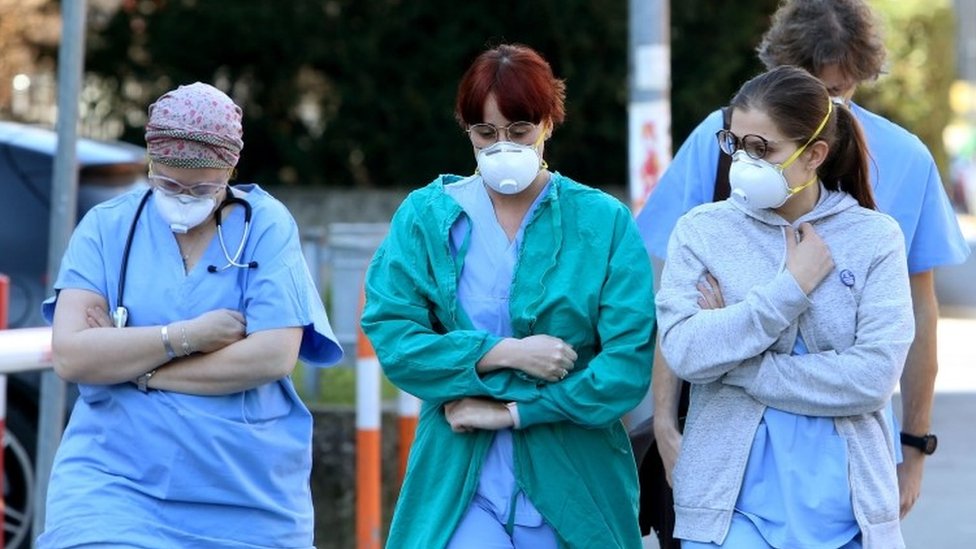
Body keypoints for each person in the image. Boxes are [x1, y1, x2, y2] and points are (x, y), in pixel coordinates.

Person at [636, 1, 971, 540]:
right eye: (738, 147)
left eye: (837, 90)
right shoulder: (714, 167)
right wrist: (665, 424)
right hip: (728, 483)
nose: (821, 102)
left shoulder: (890, 193)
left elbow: (904, 335)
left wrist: (915, 445)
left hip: (839, 488)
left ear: (817, 154)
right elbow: (679, 326)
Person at [360, 43, 655, 548]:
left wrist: (514, 411)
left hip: (574, 474)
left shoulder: (603, 221)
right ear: (466, 129)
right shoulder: (426, 217)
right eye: (485, 133)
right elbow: (395, 339)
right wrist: (505, 353)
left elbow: (626, 368)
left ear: (548, 124)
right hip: (458, 468)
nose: (503, 146)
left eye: (519, 131)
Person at [38, 82, 342, 548]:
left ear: (231, 170)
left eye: (201, 187)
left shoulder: (265, 225)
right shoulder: (107, 227)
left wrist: (138, 370)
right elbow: (73, 355)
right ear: (149, 162)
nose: (182, 197)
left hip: (245, 495)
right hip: (113, 485)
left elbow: (272, 356)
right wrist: (187, 335)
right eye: (167, 182)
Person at [657, 65, 914, 548]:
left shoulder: (875, 238)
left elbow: (873, 378)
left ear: (815, 154)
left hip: (848, 515)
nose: (743, 163)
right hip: (727, 512)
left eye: (763, 150)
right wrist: (790, 288)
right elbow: (686, 352)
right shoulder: (701, 230)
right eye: (734, 144)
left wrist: (736, 365)